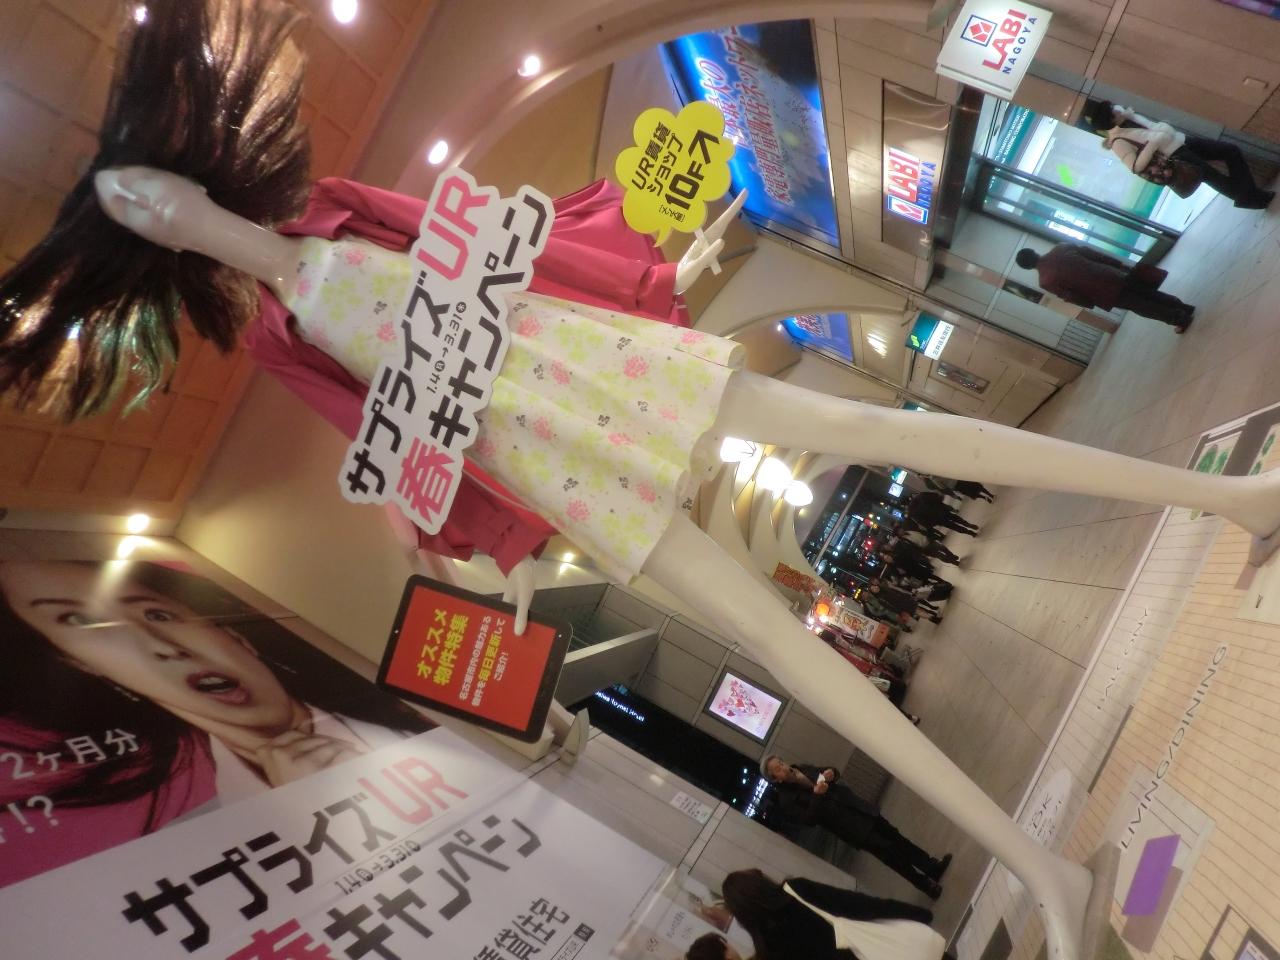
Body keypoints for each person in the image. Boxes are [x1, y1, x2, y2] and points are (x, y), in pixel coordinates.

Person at [13, 4, 1280, 947]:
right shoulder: (279, 340)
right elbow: (381, 429)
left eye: (149, 191)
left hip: (588, 366)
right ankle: (1038, 866)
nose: (157, 210)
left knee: (907, 439)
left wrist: (618, 272)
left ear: (184, 169)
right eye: (134, 217)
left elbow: (490, 247)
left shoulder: (336, 212)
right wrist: (434, 523)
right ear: (142, 256)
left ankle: (1224, 498)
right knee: (784, 652)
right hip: (540, 455)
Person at [0, 560, 430, 886]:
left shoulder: (413, 707)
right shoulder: (200, 849)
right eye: (81, 621)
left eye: (157, 614)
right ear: (82, 667)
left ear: (235, 634)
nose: (162, 646)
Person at [762, 757, 950, 898]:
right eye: (778, 768)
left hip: (856, 806)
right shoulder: (786, 800)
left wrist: (831, 773)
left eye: (781, 762)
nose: (784, 767)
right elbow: (809, 820)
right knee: (890, 854)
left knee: (895, 836)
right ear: (776, 779)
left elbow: (831, 772)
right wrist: (817, 796)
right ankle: (926, 885)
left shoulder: (801, 767)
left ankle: (931, 866)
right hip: (848, 826)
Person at [1084, 98, 1274, 210]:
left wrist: (1138, 120)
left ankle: (1249, 196)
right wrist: (1153, 144)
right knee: (1215, 177)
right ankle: (1254, 197)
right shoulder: (1118, 141)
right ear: (1110, 118)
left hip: (1182, 141)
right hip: (1176, 156)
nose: (1117, 108)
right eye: (1113, 109)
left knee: (1230, 150)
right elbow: (1135, 166)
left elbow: (1154, 129)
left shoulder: (1128, 118)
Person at [720, 867, 945, 960]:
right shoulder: (796, 891)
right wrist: (915, 913)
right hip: (877, 950)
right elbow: (858, 904)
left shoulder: (767, 951)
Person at [1015, 245, 1196, 333]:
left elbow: (1070, 295)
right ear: (1034, 252)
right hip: (1113, 275)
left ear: (1027, 267)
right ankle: (1183, 307)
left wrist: (1089, 303)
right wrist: (1118, 265)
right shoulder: (1060, 249)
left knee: (1141, 306)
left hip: (1104, 294)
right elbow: (1094, 255)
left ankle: (1179, 318)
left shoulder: (1045, 281)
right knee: (1147, 293)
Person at [906, 491, 980, 538]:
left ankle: (970, 533)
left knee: (954, 526)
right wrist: (940, 504)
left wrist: (934, 523)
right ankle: (967, 524)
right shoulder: (921, 496)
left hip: (938, 520)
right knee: (955, 518)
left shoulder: (912, 513)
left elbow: (924, 522)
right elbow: (937, 497)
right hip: (942, 510)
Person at [923, 475, 995, 504]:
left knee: (970, 492)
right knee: (976, 486)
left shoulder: (934, 480)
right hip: (959, 480)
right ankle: (990, 494)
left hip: (956, 486)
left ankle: (984, 498)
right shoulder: (939, 471)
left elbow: (942, 487)